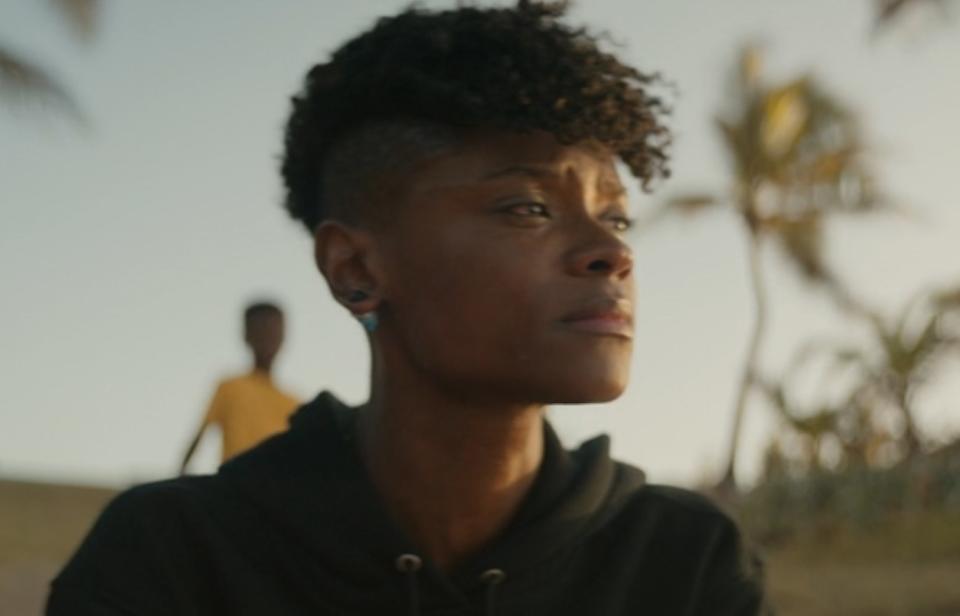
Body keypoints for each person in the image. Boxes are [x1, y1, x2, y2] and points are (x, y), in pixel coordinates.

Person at [48, 2, 769, 614]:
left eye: (616, 218)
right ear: (356, 270)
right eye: (528, 207)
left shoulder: (685, 564)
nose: (612, 254)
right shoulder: (174, 561)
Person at [179, 301, 299, 472]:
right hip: (234, 486)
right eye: (261, 332)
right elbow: (199, 438)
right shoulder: (230, 386)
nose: (267, 339)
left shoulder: (294, 403)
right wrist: (179, 478)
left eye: (273, 332)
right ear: (246, 335)